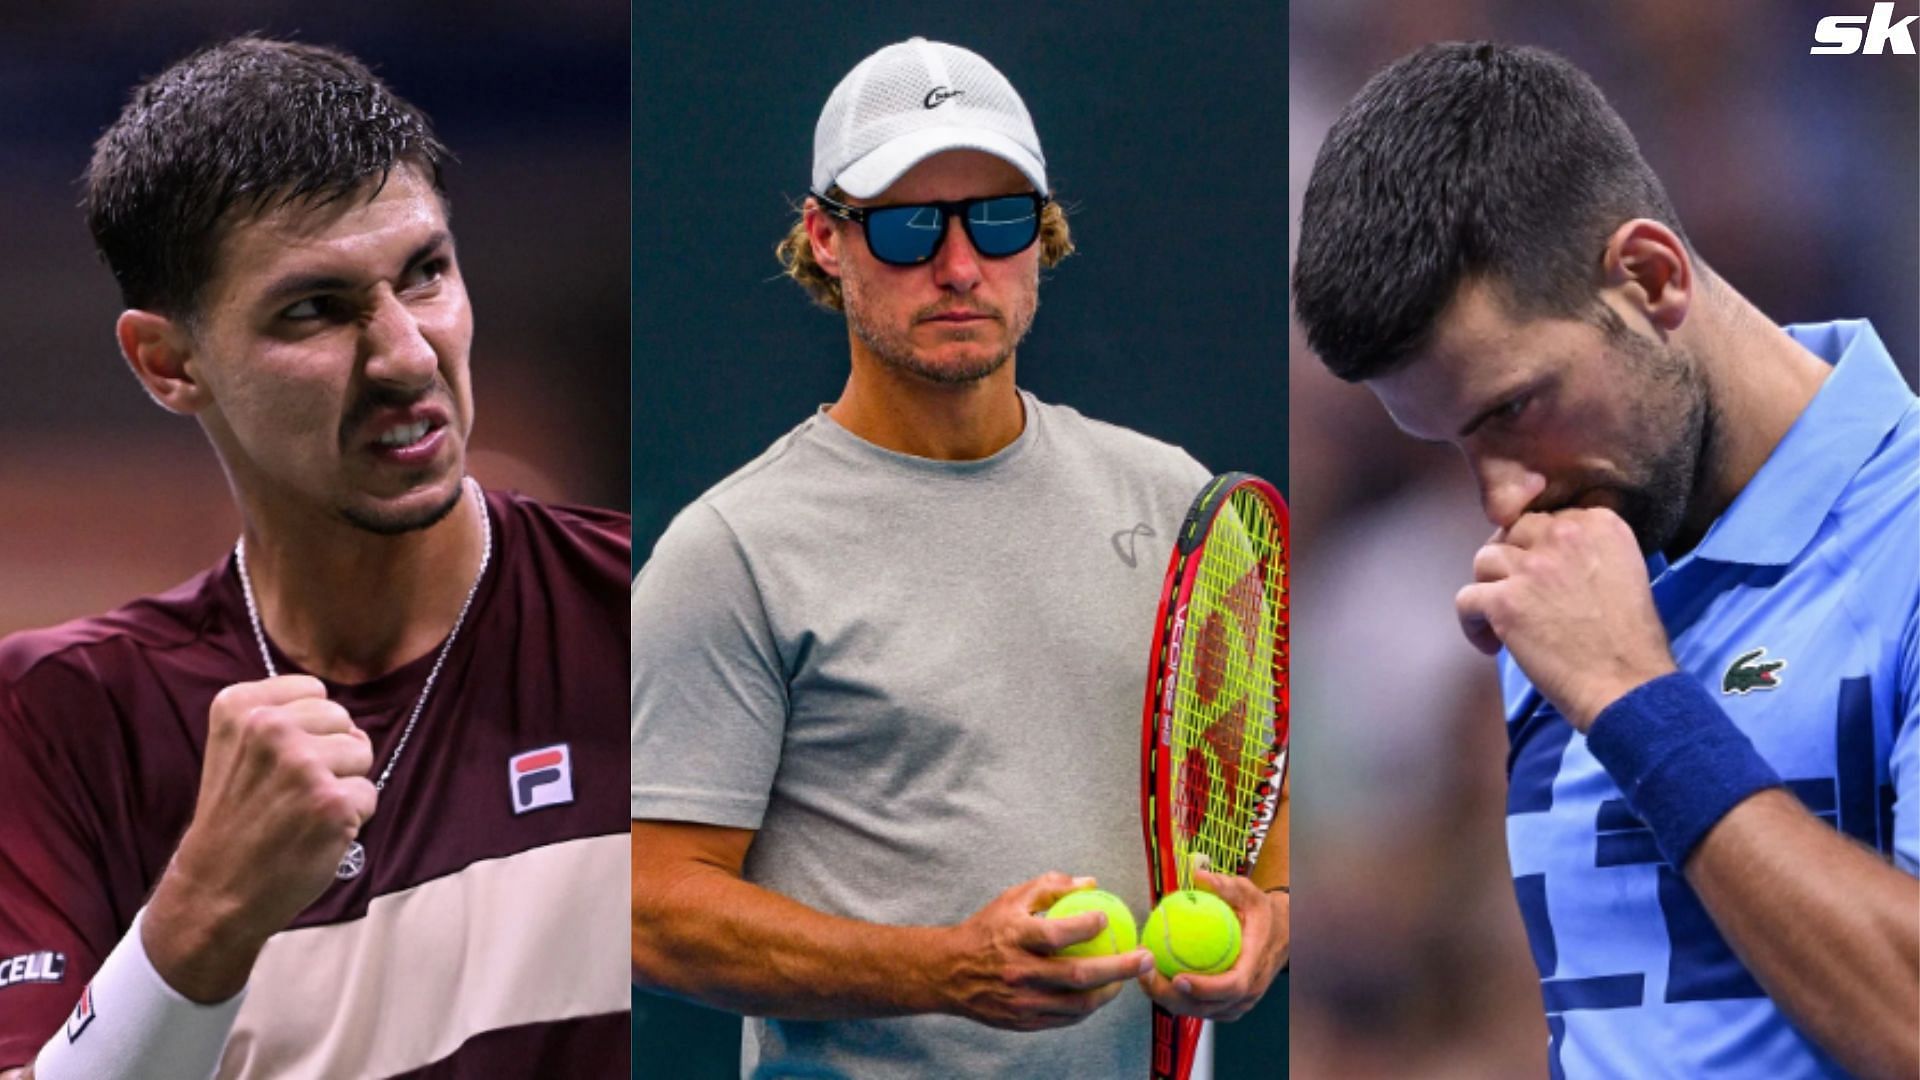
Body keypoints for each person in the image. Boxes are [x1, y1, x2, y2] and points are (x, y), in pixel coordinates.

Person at [630, 36, 1288, 1078]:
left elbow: (1255, 794)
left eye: (997, 219)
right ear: (825, 240)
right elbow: (652, 909)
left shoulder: (1174, 501)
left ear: (1044, 234)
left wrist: (1268, 925)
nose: (959, 266)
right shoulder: (731, 551)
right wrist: (942, 969)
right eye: (904, 228)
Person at [0, 38, 630, 1079]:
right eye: (316, 309)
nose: (406, 355)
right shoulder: (59, 718)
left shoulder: (659, 612)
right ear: (168, 363)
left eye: (425, 273)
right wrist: (200, 919)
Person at [1293, 41, 1917, 1079]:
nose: (1501, 497)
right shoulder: (1567, 581)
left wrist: (1633, 696)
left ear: (1649, 277)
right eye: (1455, 442)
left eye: (1513, 409)